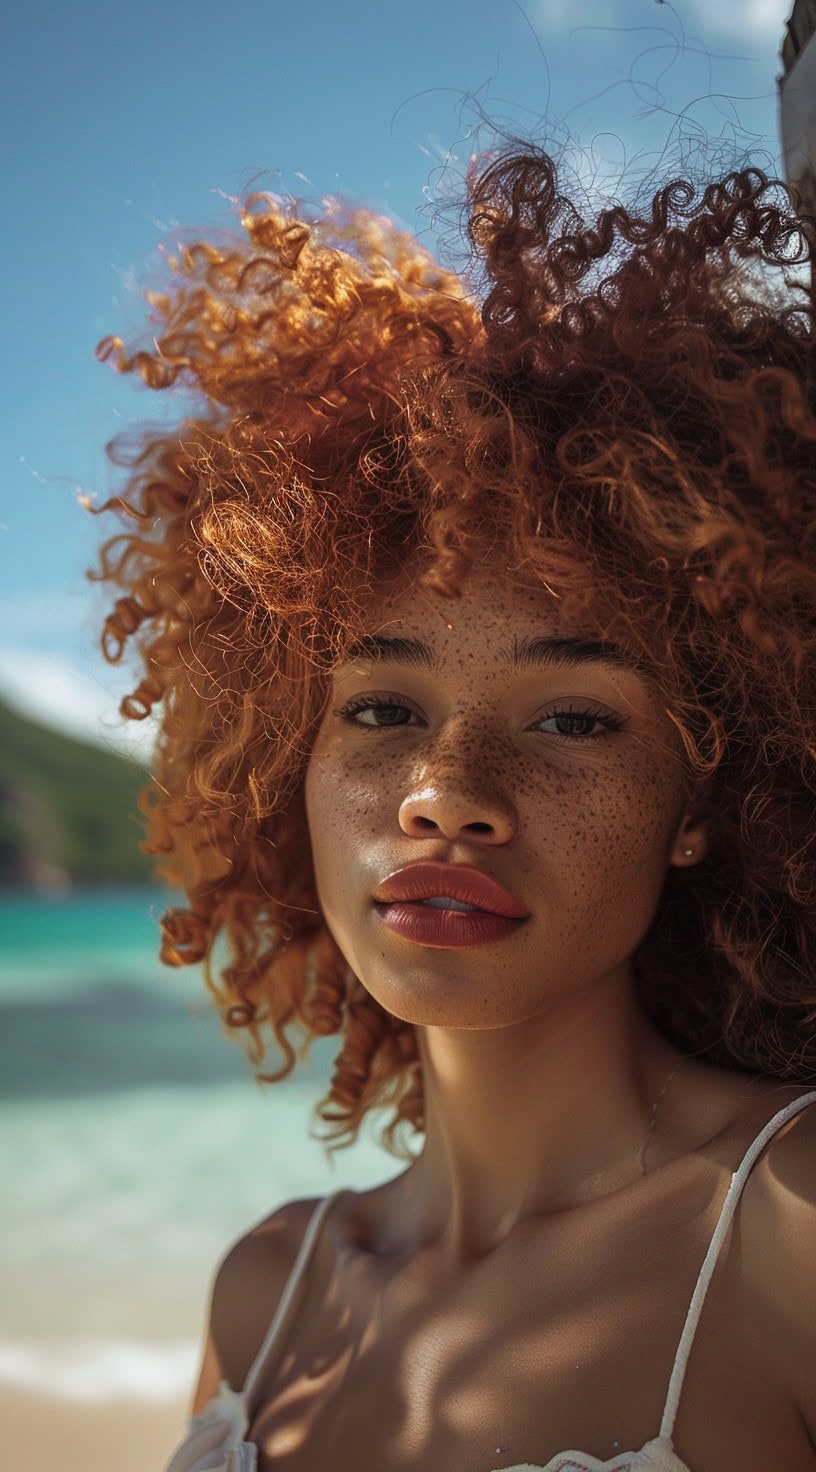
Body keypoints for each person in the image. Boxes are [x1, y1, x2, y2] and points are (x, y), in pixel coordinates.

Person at [90, 146, 816, 1471]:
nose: (447, 798)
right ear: (283, 760)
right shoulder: (265, 1294)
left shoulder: (791, 1232)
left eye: (574, 718)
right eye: (381, 711)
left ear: (706, 795)